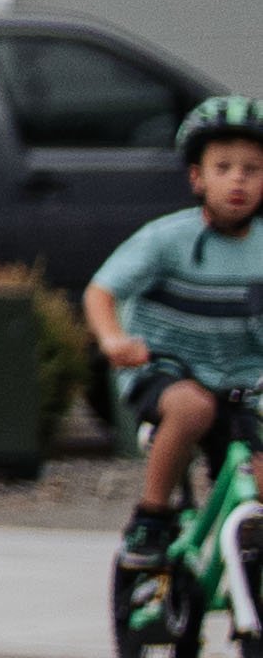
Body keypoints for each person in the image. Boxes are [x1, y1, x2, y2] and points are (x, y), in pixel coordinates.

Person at [99, 99, 263, 565]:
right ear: (197, 178)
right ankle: (151, 517)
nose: (238, 180)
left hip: (243, 380)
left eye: (252, 170)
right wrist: (113, 339)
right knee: (192, 407)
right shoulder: (165, 239)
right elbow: (101, 292)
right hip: (167, 368)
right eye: (224, 168)